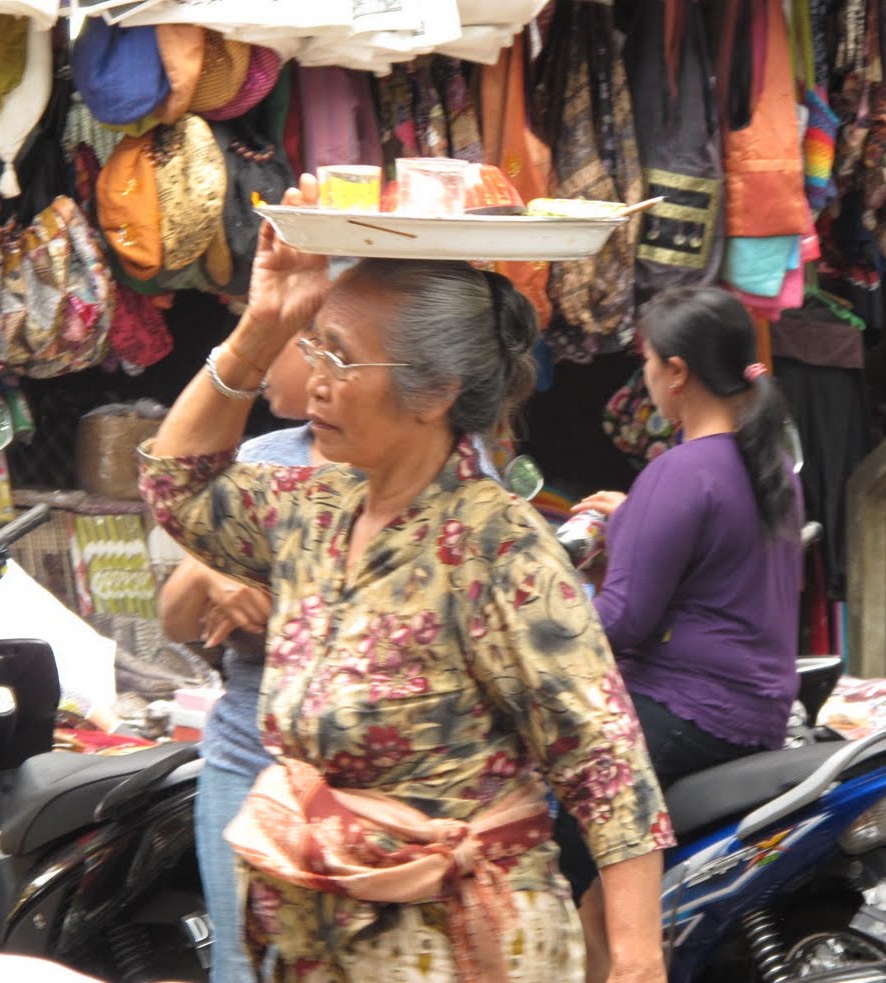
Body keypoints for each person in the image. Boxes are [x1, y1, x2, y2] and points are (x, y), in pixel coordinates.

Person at [139, 175, 673, 983]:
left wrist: (636, 963)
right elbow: (175, 487)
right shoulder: (315, 509)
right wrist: (262, 327)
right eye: (314, 347)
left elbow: (604, 763)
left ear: (437, 392)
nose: (314, 379)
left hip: (459, 945)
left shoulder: (497, 548)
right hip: (327, 934)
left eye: (342, 358)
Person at [574, 285, 804, 786]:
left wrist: (531, 640)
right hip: (758, 714)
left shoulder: (680, 471)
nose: (645, 378)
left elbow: (620, 622)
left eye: (648, 362)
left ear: (676, 372)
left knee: (544, 808)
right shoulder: (775, 466)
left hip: (687, 708)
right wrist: (634, 527)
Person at [158, 329, 327, 983]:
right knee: (242, 965)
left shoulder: (440, 490)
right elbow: (175, 619)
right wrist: (212, 576)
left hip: (354, 781)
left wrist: (276, 600)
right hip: (245, 760)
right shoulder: (261, 460)